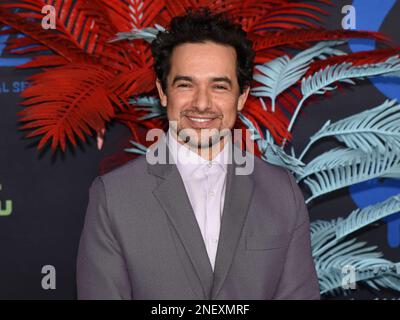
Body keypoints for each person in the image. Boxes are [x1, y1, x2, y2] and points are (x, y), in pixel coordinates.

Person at [76, 8, 320, 300]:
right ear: (163, 92)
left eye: (219, 86)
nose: (202, 103)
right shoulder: (114, 196)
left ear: (241, 96)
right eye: (185, 84)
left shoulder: (282, 192)